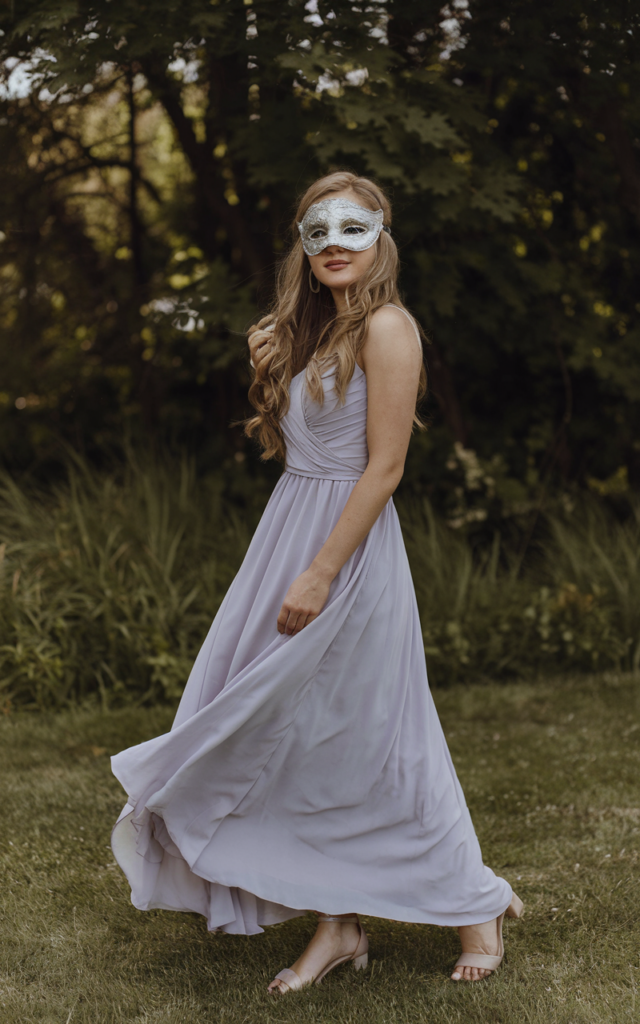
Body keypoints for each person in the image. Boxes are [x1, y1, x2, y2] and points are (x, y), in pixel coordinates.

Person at [110, 171, 522, 995]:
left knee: (375, 732)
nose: (334, 242)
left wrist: (323, 573)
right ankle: (339, 924)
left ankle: (475, 906)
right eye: (317, 231)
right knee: (296, 733)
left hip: (345, 549)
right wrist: (267, 364)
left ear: (380, 239)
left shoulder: (390, 328)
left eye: (352, 228)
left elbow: (386, 466)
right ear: (302, 247)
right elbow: (297, 447)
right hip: (288, 532)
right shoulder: (316, 333)